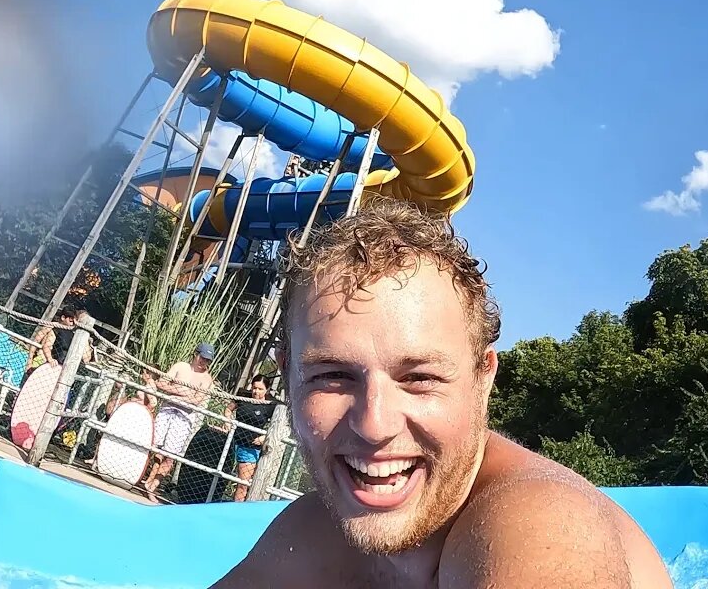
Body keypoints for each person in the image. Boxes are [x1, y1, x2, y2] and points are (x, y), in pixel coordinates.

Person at [210, 198, 672, 588]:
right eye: (333, 376)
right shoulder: (313, 538)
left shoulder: (542, 523)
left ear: (482, 380)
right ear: (288, 377)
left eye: (419, 379)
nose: (374, 425)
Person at [143, 342, 218, 500]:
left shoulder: (207, 380)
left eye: (207, 360)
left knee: (171, 456)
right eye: (202, 357)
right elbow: (162, 383)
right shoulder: (181, 366)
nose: (203, 362)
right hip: (166, 410)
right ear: (195, 354)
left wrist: (178, 392)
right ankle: (142, 477)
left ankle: (152, 485)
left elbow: (197, 400)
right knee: (153, 446)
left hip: (184, 418)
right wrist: (184, 391)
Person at [229, 374, 276, 502]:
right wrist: (227, 421)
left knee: (243, 484)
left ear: (267, 389)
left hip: (249, 447)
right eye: (254, 388)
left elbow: (277, 426)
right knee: (222, 476)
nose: (256, 391)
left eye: (260, 389)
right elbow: (229, 409)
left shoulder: (271, 405)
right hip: (232, 441)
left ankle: (236, 511)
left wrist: (264, 437)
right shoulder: (243, 396)